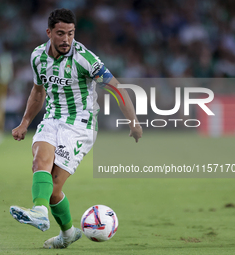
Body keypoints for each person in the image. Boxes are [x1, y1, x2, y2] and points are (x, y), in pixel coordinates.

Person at [10, 8, 142, 249]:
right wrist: (25, 123)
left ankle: (65, 231)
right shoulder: (37, 56)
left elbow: (116, 88)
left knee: (54, 189)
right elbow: (38, 91)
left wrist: (133, 123)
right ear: (49, 33)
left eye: (70, 33)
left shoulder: (85, 60)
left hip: (80, 125)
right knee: (40, 162)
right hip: (51, 118)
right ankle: (43, 214)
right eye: (60, 33)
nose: (66, 39)